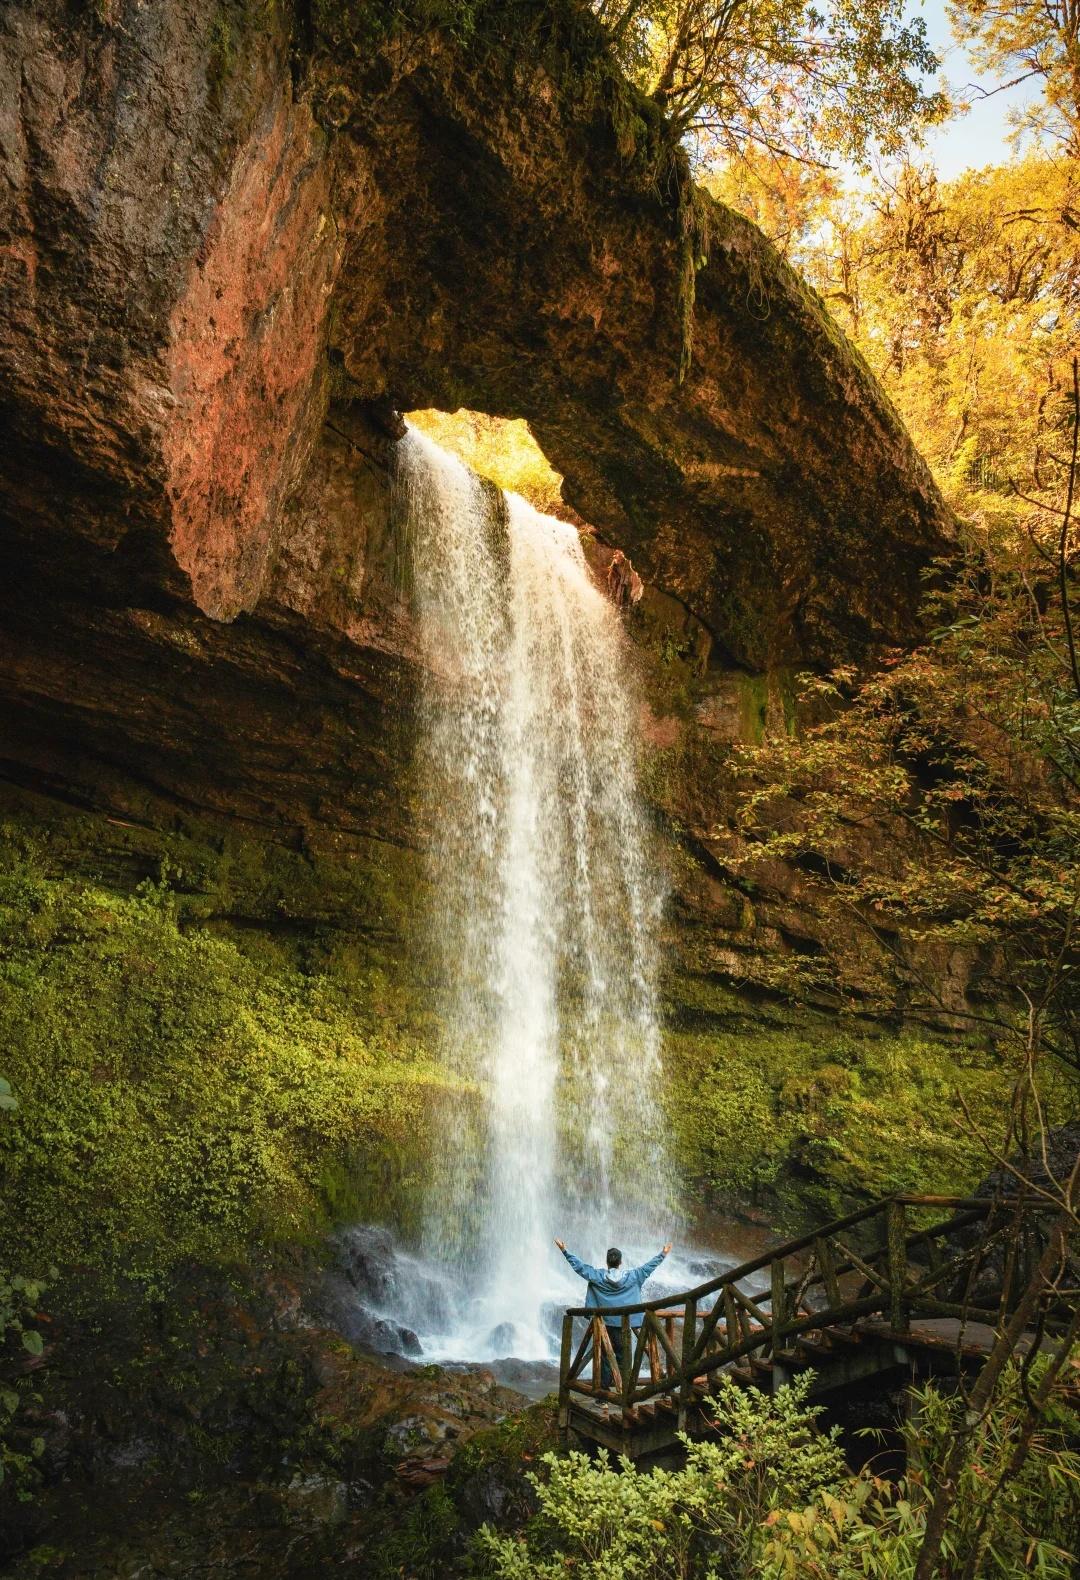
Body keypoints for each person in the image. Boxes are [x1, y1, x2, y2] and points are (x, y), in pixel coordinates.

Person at [555, 1238, 672, 1390]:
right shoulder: (634, 1276)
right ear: (620, 1262)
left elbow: (580, 1268)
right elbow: (649, 1267)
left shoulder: (597, 1276)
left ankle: (603, 1394)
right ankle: (625, 1392)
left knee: (606, 1358)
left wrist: (565, 1251)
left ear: (607, 1262)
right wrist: (663, 1254)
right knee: (625, 1358)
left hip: (605, 1325)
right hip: (626, 1326)